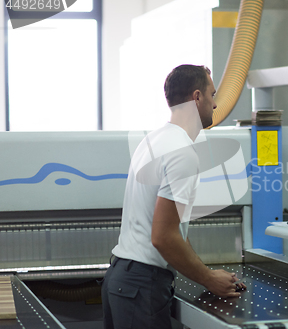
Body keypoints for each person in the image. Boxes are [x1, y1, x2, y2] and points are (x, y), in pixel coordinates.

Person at [101, 65, 245, 329]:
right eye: (213, 95)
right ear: (198, 97)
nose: (215, 105)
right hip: (142, 285)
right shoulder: (182, 152)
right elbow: (163, 236)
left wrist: (209, 273)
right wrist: (209, 279)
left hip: (122, 278)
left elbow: (173, 227)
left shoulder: (154, 141)